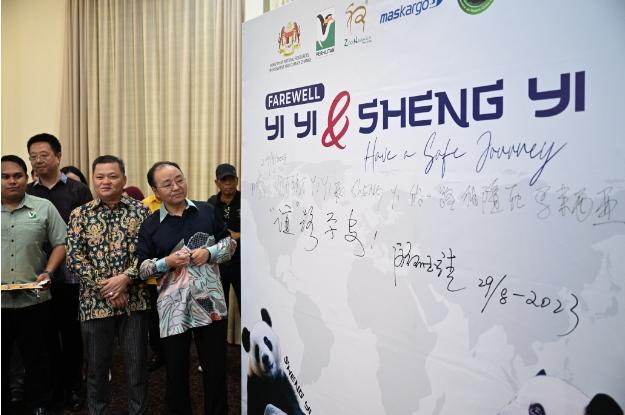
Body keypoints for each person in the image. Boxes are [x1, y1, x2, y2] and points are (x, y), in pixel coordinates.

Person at [138, 161, 235, 415]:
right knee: (176, 373)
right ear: (156, 192)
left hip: (210, 304)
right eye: (167, 184)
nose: (176, 187)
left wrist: (210, 252)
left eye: (179, 179)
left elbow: (230, 245)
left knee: (215, 371)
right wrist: (167, 262)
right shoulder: (150, 225)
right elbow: (142, 269)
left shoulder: (206, 211)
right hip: (173, 310)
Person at [66, 155, 151, 415]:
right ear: (93, 180)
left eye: (113, 176)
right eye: (100, 176)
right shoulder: (80, 214)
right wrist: (110, 289)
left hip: (134, 301)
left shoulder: (142, 211)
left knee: (137, 367)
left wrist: (126, 279)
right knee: (96, 369)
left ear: (124, 179)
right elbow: (74, 259)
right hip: (94, 304)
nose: (106, 181)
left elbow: (148, 254)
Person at [27, 133, 93, 411]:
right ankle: (52, 390)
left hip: (70, 276)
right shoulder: (28, 191)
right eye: (33, 156)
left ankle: (74, 388)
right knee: (44, 336)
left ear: (58, 156)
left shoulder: (77, 190)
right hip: (36, 274)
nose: (38, 160)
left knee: (72, 335)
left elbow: (88, 231)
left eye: (44, 155)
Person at [2, 155, 67, 415]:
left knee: (37, 356)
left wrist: (48, 271)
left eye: (17, 175)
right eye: (5, 176)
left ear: (27, 177)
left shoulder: (43, 207)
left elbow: (61, 243)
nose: (12, 181)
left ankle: (39, 404)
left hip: (34, 298)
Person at [207, 163, 241, 311]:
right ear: (217, 183)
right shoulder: (211, 203)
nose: (228, 183)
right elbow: (208, 228)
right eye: (224, 180)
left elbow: (258, 229)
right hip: (218, 263)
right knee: (220, 307)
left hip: (242, 262)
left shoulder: (246, 200)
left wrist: (239, 235)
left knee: (246, 304)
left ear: (237, 181)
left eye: (231, 179)